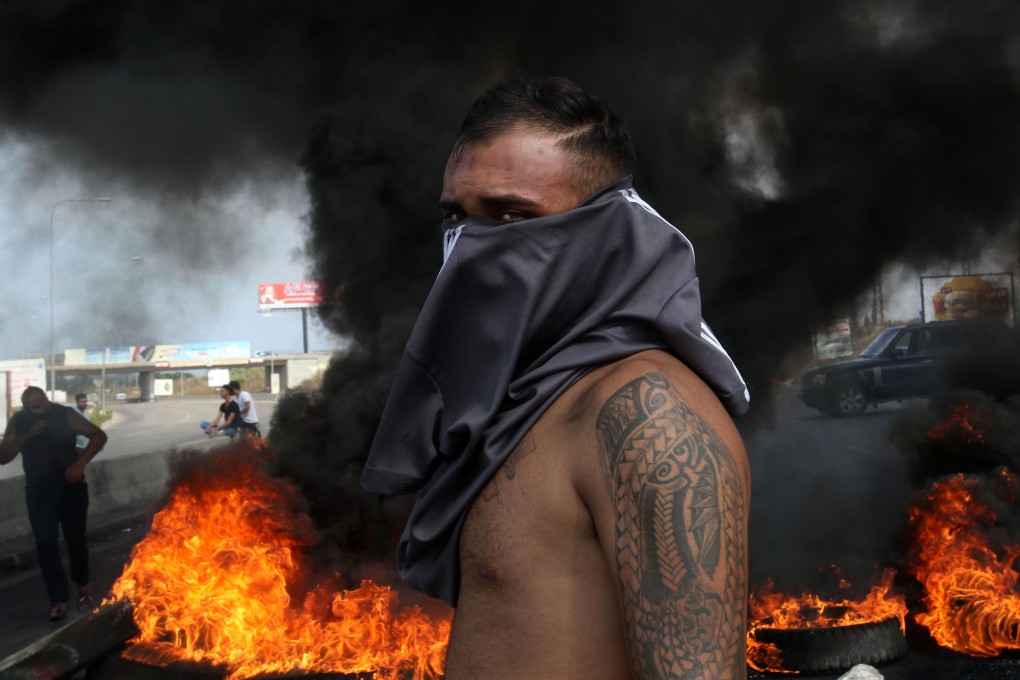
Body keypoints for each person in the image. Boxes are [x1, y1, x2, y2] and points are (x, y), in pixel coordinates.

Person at [362, 77, 752, 679]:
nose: (469, 247)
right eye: (455, 217)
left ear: (604, 232)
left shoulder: (647, 413)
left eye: (511, 215)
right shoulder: (523, 403)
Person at [0, 386, 108, 622]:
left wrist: (80, 463)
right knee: (46, 545)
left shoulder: (64, 414)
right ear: (25, 405)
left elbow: (99, 435)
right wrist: (23, 437)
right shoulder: (19, 421)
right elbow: (3, 456)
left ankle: (83, 588)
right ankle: (58, 601)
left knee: (76, 541)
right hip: (39, 493)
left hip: (71, 489)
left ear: (46, 401)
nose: (35, 410)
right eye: (31, 406)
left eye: (39, 404)